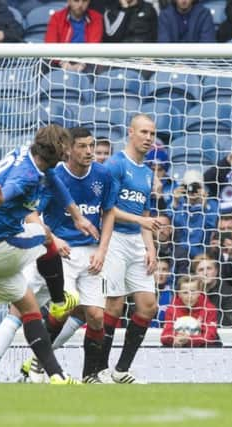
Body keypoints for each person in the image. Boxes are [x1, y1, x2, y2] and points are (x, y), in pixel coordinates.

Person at [0, 125, 99, 385]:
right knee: (46, 235)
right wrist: (2, 199)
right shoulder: (27, 176)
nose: (71, 150)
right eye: (68, 146)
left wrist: (78, 217)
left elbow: (55, 182)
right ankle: (59, 300)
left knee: (29, 309)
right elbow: (15, 186)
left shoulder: (29, 153)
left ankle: (53, 375)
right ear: (60, 151)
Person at [97, 114, 163, 384]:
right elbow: (108, 210)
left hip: (137, 241)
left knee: (148, 306)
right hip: (114, 240)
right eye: (144, 132)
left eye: (152, 133)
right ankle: (99, 369)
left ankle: (121, 369)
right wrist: (141, 221)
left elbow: (145, 212)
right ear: (131, 133)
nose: (148, 138)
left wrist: (151, 249)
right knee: (113, 305)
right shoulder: (114, 165)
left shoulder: (147, 173)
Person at [161, 276, 220, 347]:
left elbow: (210, 335)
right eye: (185, 292)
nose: (190, 296)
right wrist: (175, 338)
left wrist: (189, 339)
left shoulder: (209, 309)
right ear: (179, 294)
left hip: (202, 346)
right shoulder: (172, 309)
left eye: (193, 292)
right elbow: (165, 336)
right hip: (179, 344)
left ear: (199, 292)